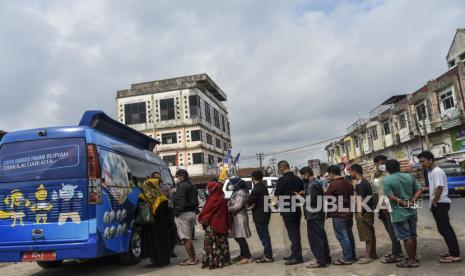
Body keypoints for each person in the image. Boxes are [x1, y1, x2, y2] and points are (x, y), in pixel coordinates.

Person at [418, 151, 461, 263]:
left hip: (441, 203)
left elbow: (439, 188)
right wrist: (425, 189)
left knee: (446, 229)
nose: (421, 164)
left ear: (430, 160)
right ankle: (452, 251)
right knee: (443, 229)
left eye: (423, 161)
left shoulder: (437, 171)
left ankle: (455, 254)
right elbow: (434, 187)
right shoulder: (430, 172)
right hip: (438, 203)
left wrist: (435, 202)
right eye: (420, 162)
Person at [383, 159, 424, 268]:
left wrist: (403, 203)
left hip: (399, 212)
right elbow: (420, 189)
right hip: (412, 210)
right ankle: (413, 257)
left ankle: (411, 260)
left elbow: (391, 196)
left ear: (387, 169)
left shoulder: (387, 180)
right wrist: (412, 201)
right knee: (412, 235)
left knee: (406, 237)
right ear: (399, 166)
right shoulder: (409, 176)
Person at [371, 155, 403, 264]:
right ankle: (397, 250)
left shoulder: (389, 174)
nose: (383, 165)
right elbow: (375, 191)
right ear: (375, 164)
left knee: (392, 229)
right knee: (389, 229)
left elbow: (388, 192)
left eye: (385, 163)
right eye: (381, 163)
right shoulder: (374, 175)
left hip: (389, 206)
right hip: (380, 206)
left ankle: (397, 253)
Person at [274, 160, 304, 265]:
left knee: (293, 233)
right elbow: (301, 192)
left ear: (282, 168)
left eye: (279, 169)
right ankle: (294, 253)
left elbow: (276, 194)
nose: (279, 171)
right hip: (296, 207)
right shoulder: (297, 179)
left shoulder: (281, 180)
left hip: (286, 208)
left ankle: (297, 256)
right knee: (295, 232)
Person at [300, 166, 331, 268]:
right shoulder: (316, 183)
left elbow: (309, 202)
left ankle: (320, 260)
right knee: (321, 237)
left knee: (315, 239)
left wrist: (299, 197)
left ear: (307, 174)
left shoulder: (311, 185)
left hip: (313, 216)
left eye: (302, 175)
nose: (302, 177)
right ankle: (326, 258)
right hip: (318, 214)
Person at [324, 165, 356, 265]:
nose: (328, 176)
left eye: (328, 174)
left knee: (342, 236)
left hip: (338, 214)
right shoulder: (348, 184)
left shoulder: (334, 184)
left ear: (332, 174)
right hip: (348, 214)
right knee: (349, 235)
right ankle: (352, 255)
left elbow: (326, 197)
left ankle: (347, 258)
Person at [198, 181, 231, 269]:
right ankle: (223, 261)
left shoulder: (212, 199)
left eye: (209, 188)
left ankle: (213, 262)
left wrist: (201, 217)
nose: (208, 190)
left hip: (212, 226)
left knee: (212, 244)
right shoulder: (222, 198)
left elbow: (205, 212)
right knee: (221, 243)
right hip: (222, 225)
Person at [139, 177, 171, 267]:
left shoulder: (144, 197)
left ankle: (157, 261)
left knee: (154, 242)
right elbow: (166, 211)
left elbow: (140, 210)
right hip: (163, 224)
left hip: (152, 224)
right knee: (163, 242)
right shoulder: (162, 197)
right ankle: (164, 260)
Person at [350, 164, 377, 264]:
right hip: (368, 211)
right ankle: (372, 253)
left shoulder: (360, 184)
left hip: (364, 212)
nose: (350, 174)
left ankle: (368, 256)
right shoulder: (365, 182)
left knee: (367, 235)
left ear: (354, 172)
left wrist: (360, 212)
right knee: (370, 233)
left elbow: (360, 199)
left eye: (351, 171)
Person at [173, 169, 200, 266]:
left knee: (185, 239)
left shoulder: (182, 186)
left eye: (177, 177)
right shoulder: (191, 184)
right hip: (191, 213)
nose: (176, 179)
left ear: (182, 176)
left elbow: (180, 202)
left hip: (183, 214)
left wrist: (175, 213)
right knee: (188, 238)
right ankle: (193, 257)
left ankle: (192, 259)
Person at [247, 170, 274, 263]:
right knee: (265, 235)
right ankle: (267, 253)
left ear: (253, 178)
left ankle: (268, 256)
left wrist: (251, 204)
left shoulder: (256, 188)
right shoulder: (263, 187)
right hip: (265, 213)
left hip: (260, 215)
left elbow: (249, 201)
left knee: (264, 236)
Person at [151, 171, 178, 258]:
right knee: (158, 233)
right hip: (155, 212)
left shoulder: (166, 186)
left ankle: (171, 250)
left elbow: (170, 199)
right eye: (155, 177)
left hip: (167, 211)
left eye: (158, 177)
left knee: (172, 230)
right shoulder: (149, 187)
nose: (157, 179)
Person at [228, 177, 253, 265]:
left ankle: (247, 257)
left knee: (240, 237)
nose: (230, 186)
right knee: (237, 237)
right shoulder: (238, 191)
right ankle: (243, 254)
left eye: (231, 184)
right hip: (236, 216)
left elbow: (237, 206)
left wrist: (226, 209)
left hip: (240, 216)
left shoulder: (241, 193)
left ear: (236, 184)